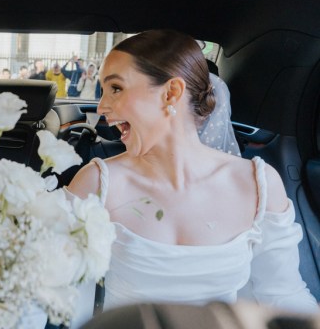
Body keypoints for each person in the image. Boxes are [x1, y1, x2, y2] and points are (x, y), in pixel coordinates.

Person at [65, 29, 319, 326]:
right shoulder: (96, 183)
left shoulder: (257, 185)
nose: (101, 107)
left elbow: (282, 295)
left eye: (116, 89)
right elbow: (72, 301)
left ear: (171, 93)